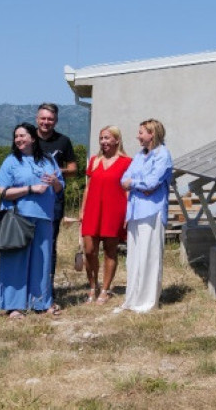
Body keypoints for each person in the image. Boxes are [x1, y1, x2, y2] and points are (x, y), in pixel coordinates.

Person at [0, 122, 64, 318]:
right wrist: (30, 189)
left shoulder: (48, 160)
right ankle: (14, 306)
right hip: (18, 218)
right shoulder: (10, 161)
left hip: (43, 217)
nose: (19, 139)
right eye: (16, 136)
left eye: (22, 135)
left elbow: (59, 189)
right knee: (16, 261)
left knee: (41, 263)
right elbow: (4, 192)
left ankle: (41, 303)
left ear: (33, 138)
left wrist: (55, 182)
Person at [117, 118, 173, 313]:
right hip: (135, 210)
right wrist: (136, 183)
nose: (137, 136)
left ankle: (148, 302)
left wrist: (134, 183)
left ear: (152, 133)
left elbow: (152, 183)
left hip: (152, 210)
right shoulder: (140, 155)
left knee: (149, 255)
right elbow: (125, 178)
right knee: (134, 257)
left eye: (141, 132)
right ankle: (132, 299)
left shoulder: (163, 156)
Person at [79, 125, 131, 305]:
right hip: (93, 210)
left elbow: (128, 190)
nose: (103, 142)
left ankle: (105, 289)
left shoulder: (127, 162)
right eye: (101, 138)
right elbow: (88, 187)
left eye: (107, 138)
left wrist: (128, 214)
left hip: (114, 210)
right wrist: (82, 210)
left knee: (110, 251)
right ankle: (92, 286)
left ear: (117, 140)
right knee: (89, 250)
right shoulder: (94, 160)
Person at [35, 102, 77, 298]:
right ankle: (29, 285)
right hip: (30, 200)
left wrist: (56, 172)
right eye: (43, 118)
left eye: (50, 119)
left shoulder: (63, 141)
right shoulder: (28, 138)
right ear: (37, 119)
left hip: (54, 200)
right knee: (28, 241)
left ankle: (47, 286)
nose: (46, 122)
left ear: (56, 120)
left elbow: (74, 169)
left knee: (49, 243)